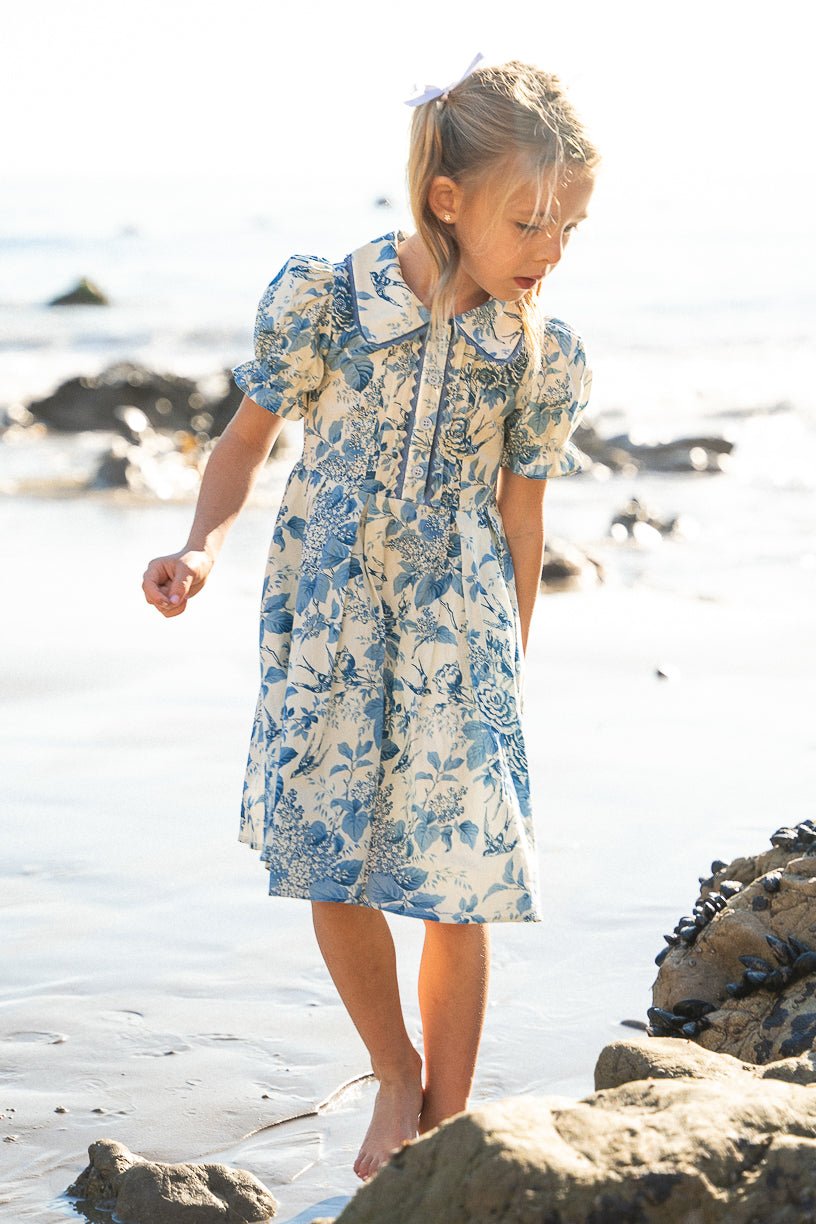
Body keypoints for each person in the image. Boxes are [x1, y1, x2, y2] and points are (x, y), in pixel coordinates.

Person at [142, 57, 600, 1182]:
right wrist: (199, 547)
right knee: (330, 860)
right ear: (447, 198)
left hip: (460, 631)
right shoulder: (329, 299)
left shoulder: (539, 350)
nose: (550, 249)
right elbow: (244, 445)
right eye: (530, 221)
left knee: (460, 879)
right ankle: (396, 1072)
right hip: (330, 620)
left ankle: (446, 1127)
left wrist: (509, 664)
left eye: (570, 227)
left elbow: (523, 516)